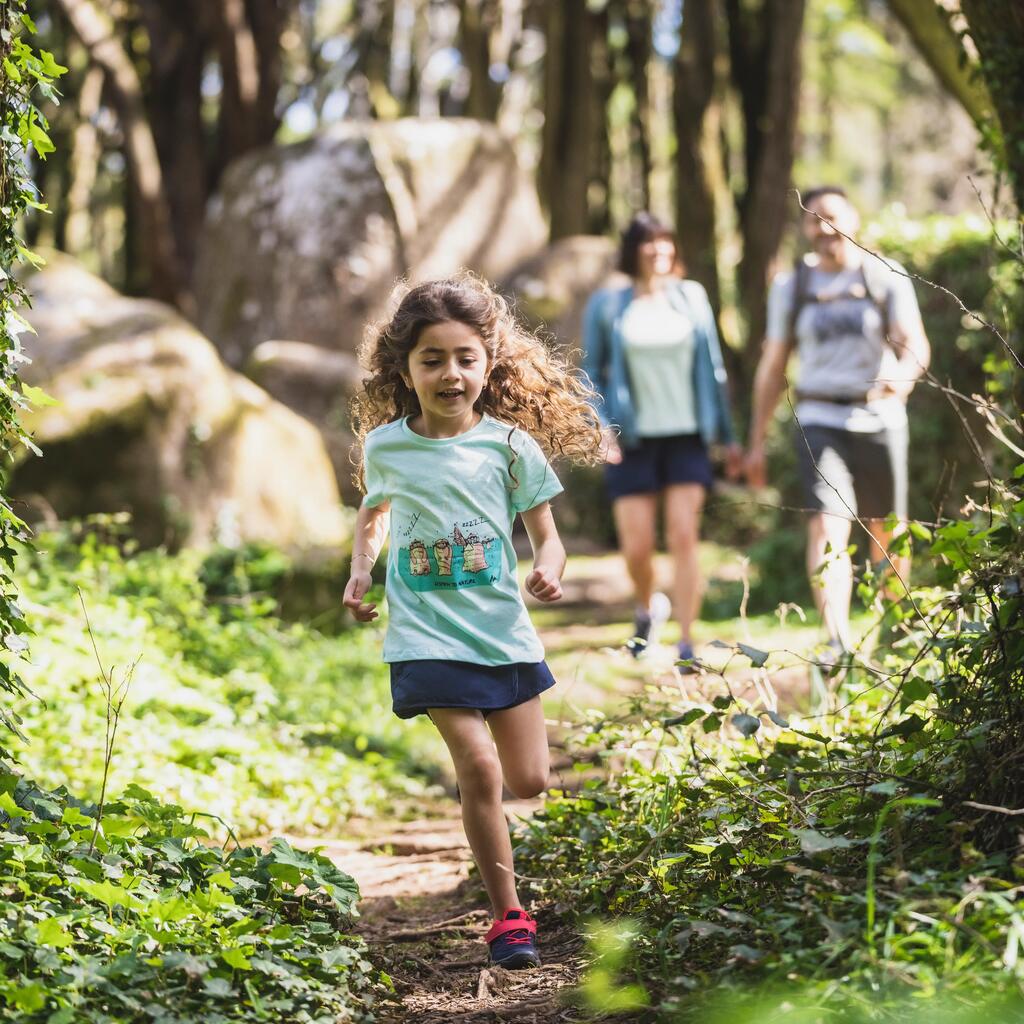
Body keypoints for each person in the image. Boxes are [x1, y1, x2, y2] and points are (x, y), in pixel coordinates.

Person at [343, 276, 601, 969]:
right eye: (432, 359)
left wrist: (551, 566)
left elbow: (548, 535)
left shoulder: (511, 447)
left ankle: (514, 888)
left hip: (502, 633)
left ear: (489, 364)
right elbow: (374, 513)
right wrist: (362, 567)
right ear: (404, 370)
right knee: (480, 770)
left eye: (465, 357)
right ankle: (508, 916)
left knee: (531, 782)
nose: (450, 373)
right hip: (425, 636)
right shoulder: (388, 447)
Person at [745, 186, 930, 657]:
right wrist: (757, 442)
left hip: (880, 416)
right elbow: (773, 366)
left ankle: (898, 633)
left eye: (833, 217)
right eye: (813, 220)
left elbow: (915, 344)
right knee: (827, 526)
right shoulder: (793, 286)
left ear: (854, 220)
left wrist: (904, 379)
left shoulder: (885, 275)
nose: (824, 229)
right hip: (819, 418)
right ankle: (837, 642)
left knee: (889, 529)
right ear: (805, 228)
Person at [582, 212, 740, 668]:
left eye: (666, 242)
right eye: (649, 243)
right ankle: (647, 609)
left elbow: (713, 367)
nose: (659, 251)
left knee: (685, 535)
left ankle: (687, 641)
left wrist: (725, 437)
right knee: (636, 546)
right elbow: (589, 371)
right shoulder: (608, 305)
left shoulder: (691, 298)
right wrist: (602, 426)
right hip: (631, 439)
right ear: (633, 251)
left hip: (687, 436)